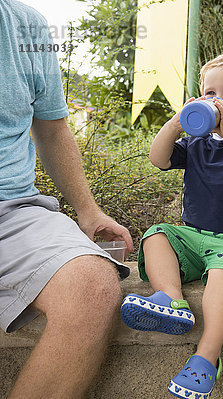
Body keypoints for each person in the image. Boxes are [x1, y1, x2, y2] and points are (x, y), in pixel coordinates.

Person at [120, 53, 223, 398]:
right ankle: (172, 299)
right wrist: (176, 123)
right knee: (157, 234)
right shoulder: (194, 143)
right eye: (210, 93)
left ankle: (206, 358)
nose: (217, 101)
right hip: (193, 238)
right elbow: (158, 158)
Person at [0, 1, 134, 398]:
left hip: (13, 211)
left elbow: (53, 129)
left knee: (92, 285)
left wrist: (88, 211)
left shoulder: (27, 26)